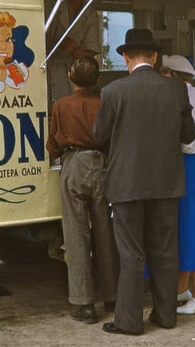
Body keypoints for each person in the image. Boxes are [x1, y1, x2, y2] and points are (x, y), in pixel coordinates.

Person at [94, 29, 195, 335]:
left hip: (125, 184)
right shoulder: (177, 90)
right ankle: (165, 315)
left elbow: (99, 137)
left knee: (131, 253)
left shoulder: (113, 91)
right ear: (154, 57)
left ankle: (129, 321)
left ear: (126, 58)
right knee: (165, 249)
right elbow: (188, 136)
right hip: (166, 183)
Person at [45, 56, 119, 324]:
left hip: (75, 163)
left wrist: (58, 149)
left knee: (76, 235)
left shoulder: (61, 105)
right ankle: (111, 295)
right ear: (98, 80)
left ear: (70, 77)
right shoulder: (105, 103)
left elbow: (52, 143)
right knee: (105, 231)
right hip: (102, 164)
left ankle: (84, 304)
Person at [160, 54, 195, 315]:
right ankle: (182, 288)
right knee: (191, 226)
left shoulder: (175, 97)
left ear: (171, 75)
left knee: (189, 229)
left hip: (185, 164)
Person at [46, 0, 101, 104]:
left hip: (75, 72)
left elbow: (91, 48)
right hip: (47, 66)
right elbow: (36, 40)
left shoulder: (90, 13)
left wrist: (81, 53)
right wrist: (60, 43)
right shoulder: (51, 5)